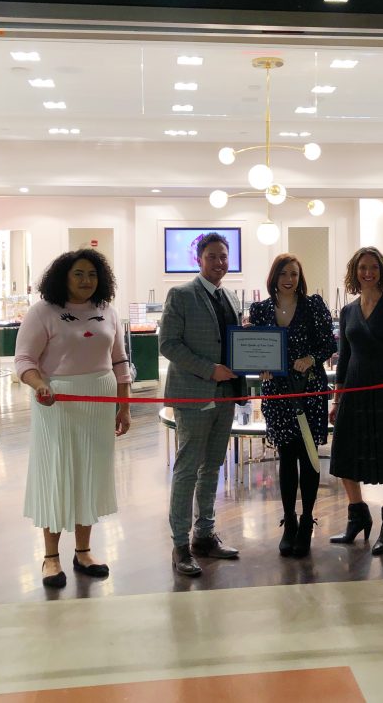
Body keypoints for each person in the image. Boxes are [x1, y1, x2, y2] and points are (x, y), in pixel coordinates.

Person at [14, 249, 132, 589]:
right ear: (64, 277)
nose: (86, 280)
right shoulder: (43, 312)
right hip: (57, 403)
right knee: (57, 473)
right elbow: (24, 360)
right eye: (78, 274)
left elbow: (120, 361)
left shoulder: (107, 311)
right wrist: (39, 385)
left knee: (89, 474)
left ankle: (83, 551)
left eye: (92, 274)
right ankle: (51, 557)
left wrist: (124, 406)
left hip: (100, 401)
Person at [160, 232, 244, 577]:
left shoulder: (231, 297)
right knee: (186, 469)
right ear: (198, 259)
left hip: (226, 395)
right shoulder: (181, 295)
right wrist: (210, 370)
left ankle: (204, 536)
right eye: (212, 256)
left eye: (223, 256)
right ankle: (180, 544)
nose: (219, 262)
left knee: (213, 468)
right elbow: (168, 344)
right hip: (194, 394)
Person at [249, 254, 337, 557]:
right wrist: (261, 365)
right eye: (283, 273)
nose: (289, 280)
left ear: (300, 278)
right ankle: (289, 521)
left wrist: (311, 358)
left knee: (309, 454)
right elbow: (256, 348)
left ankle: (307, 520)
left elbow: (329, 343)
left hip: (309, 389)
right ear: (274, 277)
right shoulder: (260, 309)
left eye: (294, 274)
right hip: (277, 392)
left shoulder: (313, 306)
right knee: (286, 455)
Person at [329, 246, 383, 555]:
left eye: (374, 267)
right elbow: (344, 359)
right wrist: (337, 400)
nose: (368, 273)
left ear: (382, 272)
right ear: (355, 272)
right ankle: (358, 516)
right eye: (363, 267)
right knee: (344, 454)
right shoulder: (348, 311)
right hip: (354, 389)